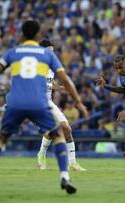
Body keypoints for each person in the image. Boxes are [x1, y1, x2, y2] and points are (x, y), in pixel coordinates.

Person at [0, 20, 88, 196]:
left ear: (22, 36)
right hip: (39, 102)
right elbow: (66, 79)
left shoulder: (13, 52)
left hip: (16, 102)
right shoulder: (47, 56)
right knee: (58, 135)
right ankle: (65, 176)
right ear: (38, 35)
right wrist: (78, 102)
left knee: (1, 138)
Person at [36, 39, 86, 171]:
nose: (52, 54)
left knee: (67, 129)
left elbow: (49, 82)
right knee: (58, 129)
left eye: (52, 51)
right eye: (49, 51)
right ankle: (42, 155)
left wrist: (57, 87)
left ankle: (72, 163)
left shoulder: (51, 66)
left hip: (48, 102)